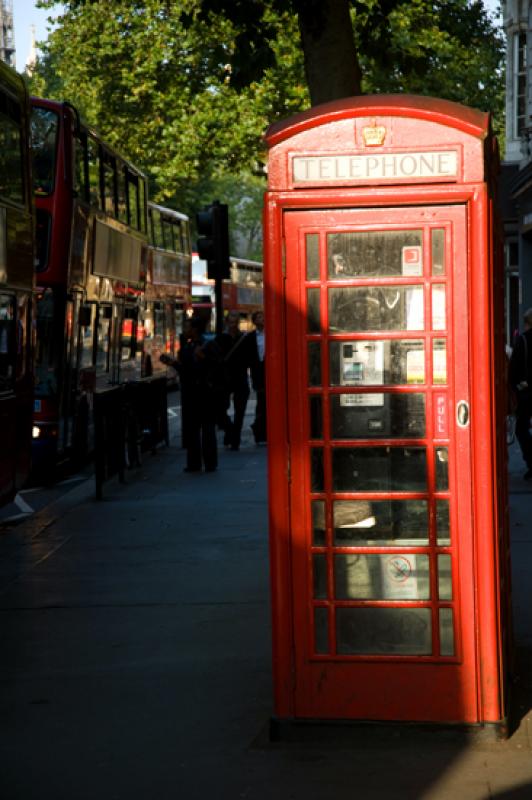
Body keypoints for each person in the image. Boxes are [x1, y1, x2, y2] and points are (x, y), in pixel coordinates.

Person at [161, 318, 219, 473]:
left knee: (207, 429)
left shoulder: (208, 345)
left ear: (194, 329)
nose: (184, 330)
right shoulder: (186, 347)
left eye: (187, 327)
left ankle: (210, 463)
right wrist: (173, 363)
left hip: (205, 392)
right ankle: (194, 463)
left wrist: (204, 358)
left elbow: (216, 366)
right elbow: (185, 370)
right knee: (192, 429)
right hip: (191, 393)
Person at [215, 310, 250, 451]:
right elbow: (215, 358)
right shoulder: (220, 338)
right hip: (224, 378)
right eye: (230, 322)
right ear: (226, 322)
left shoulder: (245, 338)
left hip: (240, 377)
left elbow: (250, 358)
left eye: (235, 322)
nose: (233, 325)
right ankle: (230, 431)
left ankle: (235, 440)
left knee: (240, 411)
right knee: (219, 410)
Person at [509, 308, 532, 479]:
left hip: (526, 394)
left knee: (522, 429)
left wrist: (514, 387)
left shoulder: (522, 340)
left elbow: (513, 372)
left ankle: (531, 461)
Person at [246, 310, 266, 444]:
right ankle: (259, 431)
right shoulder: (250, 337)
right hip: (257, 375)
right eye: (258, 317)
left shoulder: (272, 334)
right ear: (254, 321)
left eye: (263, 317)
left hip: (270, 373)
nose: (262, 319)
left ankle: (262, 430)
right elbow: (248, 357)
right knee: (261, 404)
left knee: (268, 404)